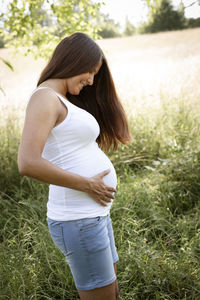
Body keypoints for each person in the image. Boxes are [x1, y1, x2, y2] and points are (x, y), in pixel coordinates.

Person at [18, 32, 131, 300]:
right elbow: (27, 162)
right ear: (74, 61)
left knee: (111, 293)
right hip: (78, 219)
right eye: (90, 72)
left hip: (93, 215)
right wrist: (88, 184)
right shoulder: (45, 98)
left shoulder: (62, 99)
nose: (91, 81)